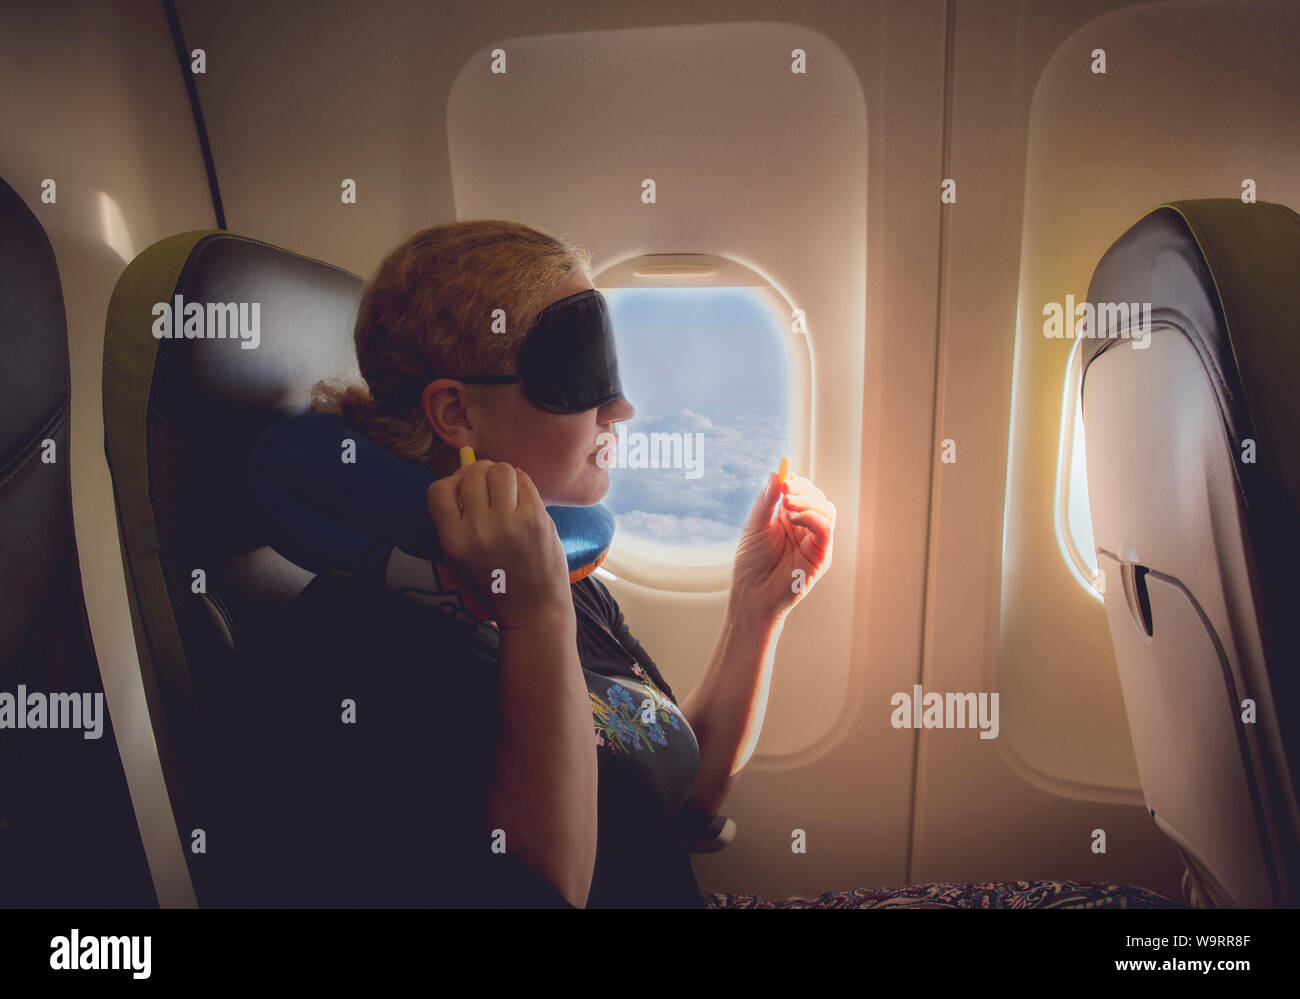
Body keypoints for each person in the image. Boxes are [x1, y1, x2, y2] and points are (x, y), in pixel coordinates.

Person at [248, 220, 836, 908]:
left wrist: (755, 608)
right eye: (578, 374)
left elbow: (688, 790)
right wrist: (534, 614)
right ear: (455, 412)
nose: (620, 407)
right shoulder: (350, 644)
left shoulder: (567, 573)